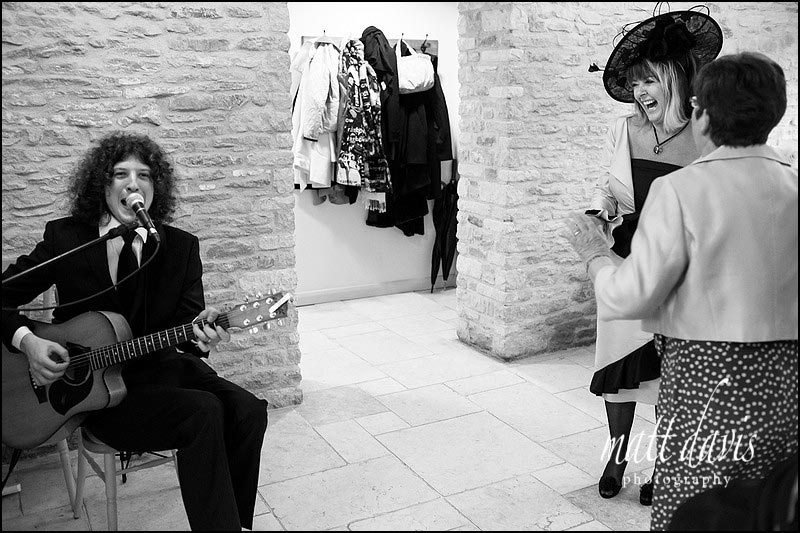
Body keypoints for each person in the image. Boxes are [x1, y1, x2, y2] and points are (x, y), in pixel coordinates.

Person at [564, 51, 797, 531]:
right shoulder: (794, 185)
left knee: (697, 504)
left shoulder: (682, 190)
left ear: (704, 114)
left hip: (704, 377)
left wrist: (592, 255)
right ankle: (619, 458)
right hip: (785, 383)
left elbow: (625, 298)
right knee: (769, 504)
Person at [1, 132, 269, 531]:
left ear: (154, 187)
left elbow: (190, 332)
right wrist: (29, 341)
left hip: (161, 371)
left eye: (144, 175)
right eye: (120, 173)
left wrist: (203, 336)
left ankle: (235, 523)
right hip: (97, 394)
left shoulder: (179, 247)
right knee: (204, 412)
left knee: (249, 411)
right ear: (102, 185)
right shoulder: (66, 239)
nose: (133, 183)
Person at [586, 7, 722, 506]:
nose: (641, 92)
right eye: (635, 82)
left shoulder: (705, 132)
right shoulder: (626, 130)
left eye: (650, 80)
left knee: (673, 373)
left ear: (677, 78)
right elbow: (614, 191)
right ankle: (616, 457)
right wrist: (603, 207)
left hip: (683, 268)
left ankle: (664, 464)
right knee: (620, 365)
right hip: (627, 258)